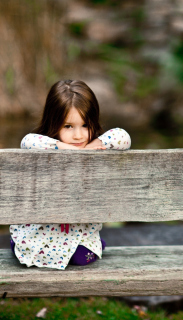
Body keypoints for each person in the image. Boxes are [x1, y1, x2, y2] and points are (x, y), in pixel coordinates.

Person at [10, 79, 131, 270]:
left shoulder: (97, 147)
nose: (78, 135)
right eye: (68, 126)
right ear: (53, 123)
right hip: (43, 232)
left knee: (81, 257)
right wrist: (64, 147)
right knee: (80, 256)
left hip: (77, 232)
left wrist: (92, 146)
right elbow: (28, 140)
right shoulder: (45, 147)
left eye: (85, 125)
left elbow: (122, 136)